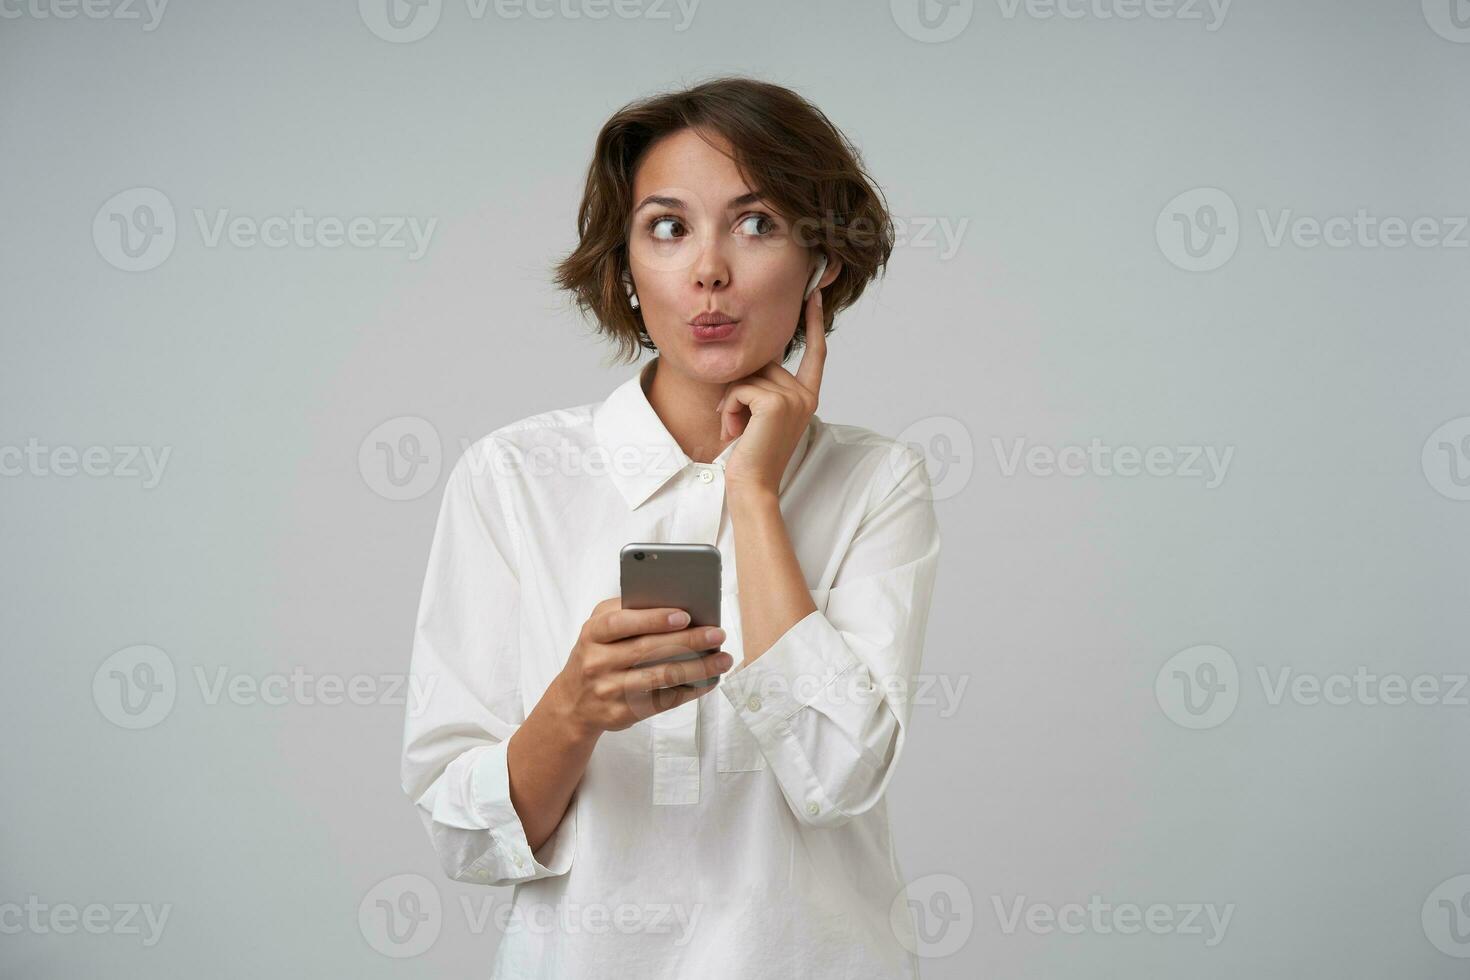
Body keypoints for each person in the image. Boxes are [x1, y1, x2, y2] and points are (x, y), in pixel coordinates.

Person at [400, 75, 942, 979]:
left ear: (824, 261)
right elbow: (464, 838)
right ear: (624, 264)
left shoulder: (877, 481)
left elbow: (840, 776)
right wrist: (572, 712)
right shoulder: (513, 478)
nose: (709, 271)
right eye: (668, 226)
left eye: (758, 222)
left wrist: (754, 495)